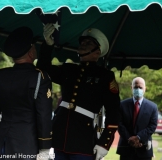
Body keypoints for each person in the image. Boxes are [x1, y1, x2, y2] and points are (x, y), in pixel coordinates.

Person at [37, 24, 121, 160]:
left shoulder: (105, 76)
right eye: (82, 42)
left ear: (97, 52)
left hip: (84, 139)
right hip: (60, 135)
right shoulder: (69, 69)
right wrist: (48, 44)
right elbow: (42, 69)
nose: (83, 44)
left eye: (88, 43)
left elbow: (114, 113)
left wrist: (105, 143)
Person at [0, 26, 53, 160]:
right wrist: (45, 146)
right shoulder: (39, 77)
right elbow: (44, 114)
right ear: (31, 52)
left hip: (3, 142)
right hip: (29, 143)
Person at [116, 77, 158, 160]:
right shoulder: (122, 105)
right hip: (126, 149)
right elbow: (119, 124)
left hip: (144, 149)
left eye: (140, 87)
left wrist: (138, 137)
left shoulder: (153, 107)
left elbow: (152, 126)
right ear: (131, 88)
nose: (138, 89)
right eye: (136, 87)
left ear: (145, 89)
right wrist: (130, 139)